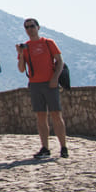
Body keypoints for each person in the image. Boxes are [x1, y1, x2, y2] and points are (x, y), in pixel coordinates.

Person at [17, 17, 68, 158]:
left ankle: (63, 147)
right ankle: (45, 147)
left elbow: (60, 61)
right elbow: (21, 69)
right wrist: (21, 54)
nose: (30, 29)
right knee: (41, 116)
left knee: (56, 114)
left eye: (32, 26)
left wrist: (55, 79)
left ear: (38, 27)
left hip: (50, 83)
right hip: (35, 84)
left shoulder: (48, 43)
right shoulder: (25, 47)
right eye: (27, 27)